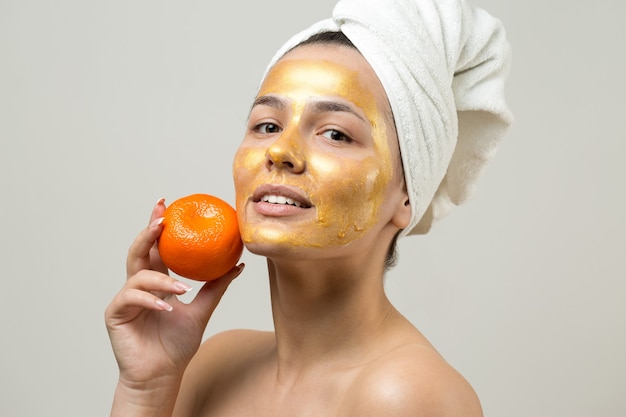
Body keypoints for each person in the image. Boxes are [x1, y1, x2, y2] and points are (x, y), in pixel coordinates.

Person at [105, 0, 513, 416]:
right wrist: (146, 389)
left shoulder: (405, 395)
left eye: (335, 134)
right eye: (267, 125)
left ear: (407, 194)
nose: (281, 150)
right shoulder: (214, 364)